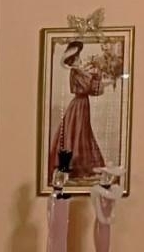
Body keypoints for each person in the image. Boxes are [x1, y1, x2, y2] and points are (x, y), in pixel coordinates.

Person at [47, 40, 116, 184]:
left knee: (81, 130)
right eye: (78, 58)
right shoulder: (76, 71)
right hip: (79, 104)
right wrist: (97, 76)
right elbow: (87, 87)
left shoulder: (79, 71)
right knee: (78, 131)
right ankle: (74, 165)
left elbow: (91, 86)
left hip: (82, 104)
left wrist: (96, 74)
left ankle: (77, 165)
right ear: (73, 60)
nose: (80, 60)